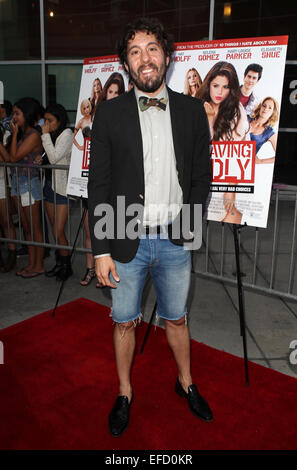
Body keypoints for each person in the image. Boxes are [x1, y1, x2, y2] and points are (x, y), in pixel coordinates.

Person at [88, 17, 213, 438]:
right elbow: (99, 185)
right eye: (135, 51)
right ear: (126, 62)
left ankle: (186, 382)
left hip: (176, 239)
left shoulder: (194, 111)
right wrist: (100, 249)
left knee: (176, 318)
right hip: (126, 237)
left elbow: (201, 179)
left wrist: (190, 227)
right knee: (124, 321)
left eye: (153, 48)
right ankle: (124, 392)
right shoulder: (109, 115)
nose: (146, 58)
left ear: (167, 56)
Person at [80, 72, 125, 288]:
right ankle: (96, 267)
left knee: (115, 232)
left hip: (120, 190)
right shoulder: (98, 114)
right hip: (98, 183)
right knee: (93, 228)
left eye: (118, 92)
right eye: (111, 91)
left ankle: (109, 268)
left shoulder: (128, 117)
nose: (114, 95)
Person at [197, 61, 250, 224]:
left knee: (232, 216)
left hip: (224, 180)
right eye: (216, 85)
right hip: (198, 178)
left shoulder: (236, 111)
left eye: (225, 87)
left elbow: (236, 151)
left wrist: (230, 188)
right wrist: (210, 118)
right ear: (208, 84)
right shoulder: (196, 105)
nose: (219, 92)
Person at [9, 97, 44, 278]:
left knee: (34, 226)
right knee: (27, 227)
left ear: (27, 114)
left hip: (29, 183)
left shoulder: (33, 135)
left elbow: (14, 158)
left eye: (17, 113)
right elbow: (10, 157)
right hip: (18, 182)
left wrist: (13, 134)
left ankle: (38, 265)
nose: (13, 117)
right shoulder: (24, 134)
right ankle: (32, 264)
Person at [41, 104, 74, 281]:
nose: (46, 124)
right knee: (55, 231)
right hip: (49, 185)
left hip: (62, 188)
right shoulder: (52, 135)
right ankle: (60, 263)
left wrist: (45, 135)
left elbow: (55, 158)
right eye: (45, 120)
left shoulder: (67, 135)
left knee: (58, 229)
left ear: (59, 120)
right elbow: (49, 155)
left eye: (50, 120)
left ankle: (66, 265)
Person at [0, 126, 17, 272]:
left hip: (2, 182)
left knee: (6, 220)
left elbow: (7, 159)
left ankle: (12, 253)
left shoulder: (5, 134)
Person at [248, 96, 279, 162]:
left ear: (273, 112)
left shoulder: (269, 132)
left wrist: (260, 161)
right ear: (260, 107)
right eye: (264, 106)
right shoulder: (246, 118)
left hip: (245, 164)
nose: (265, 109)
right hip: (229, 155)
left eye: (270, 108)